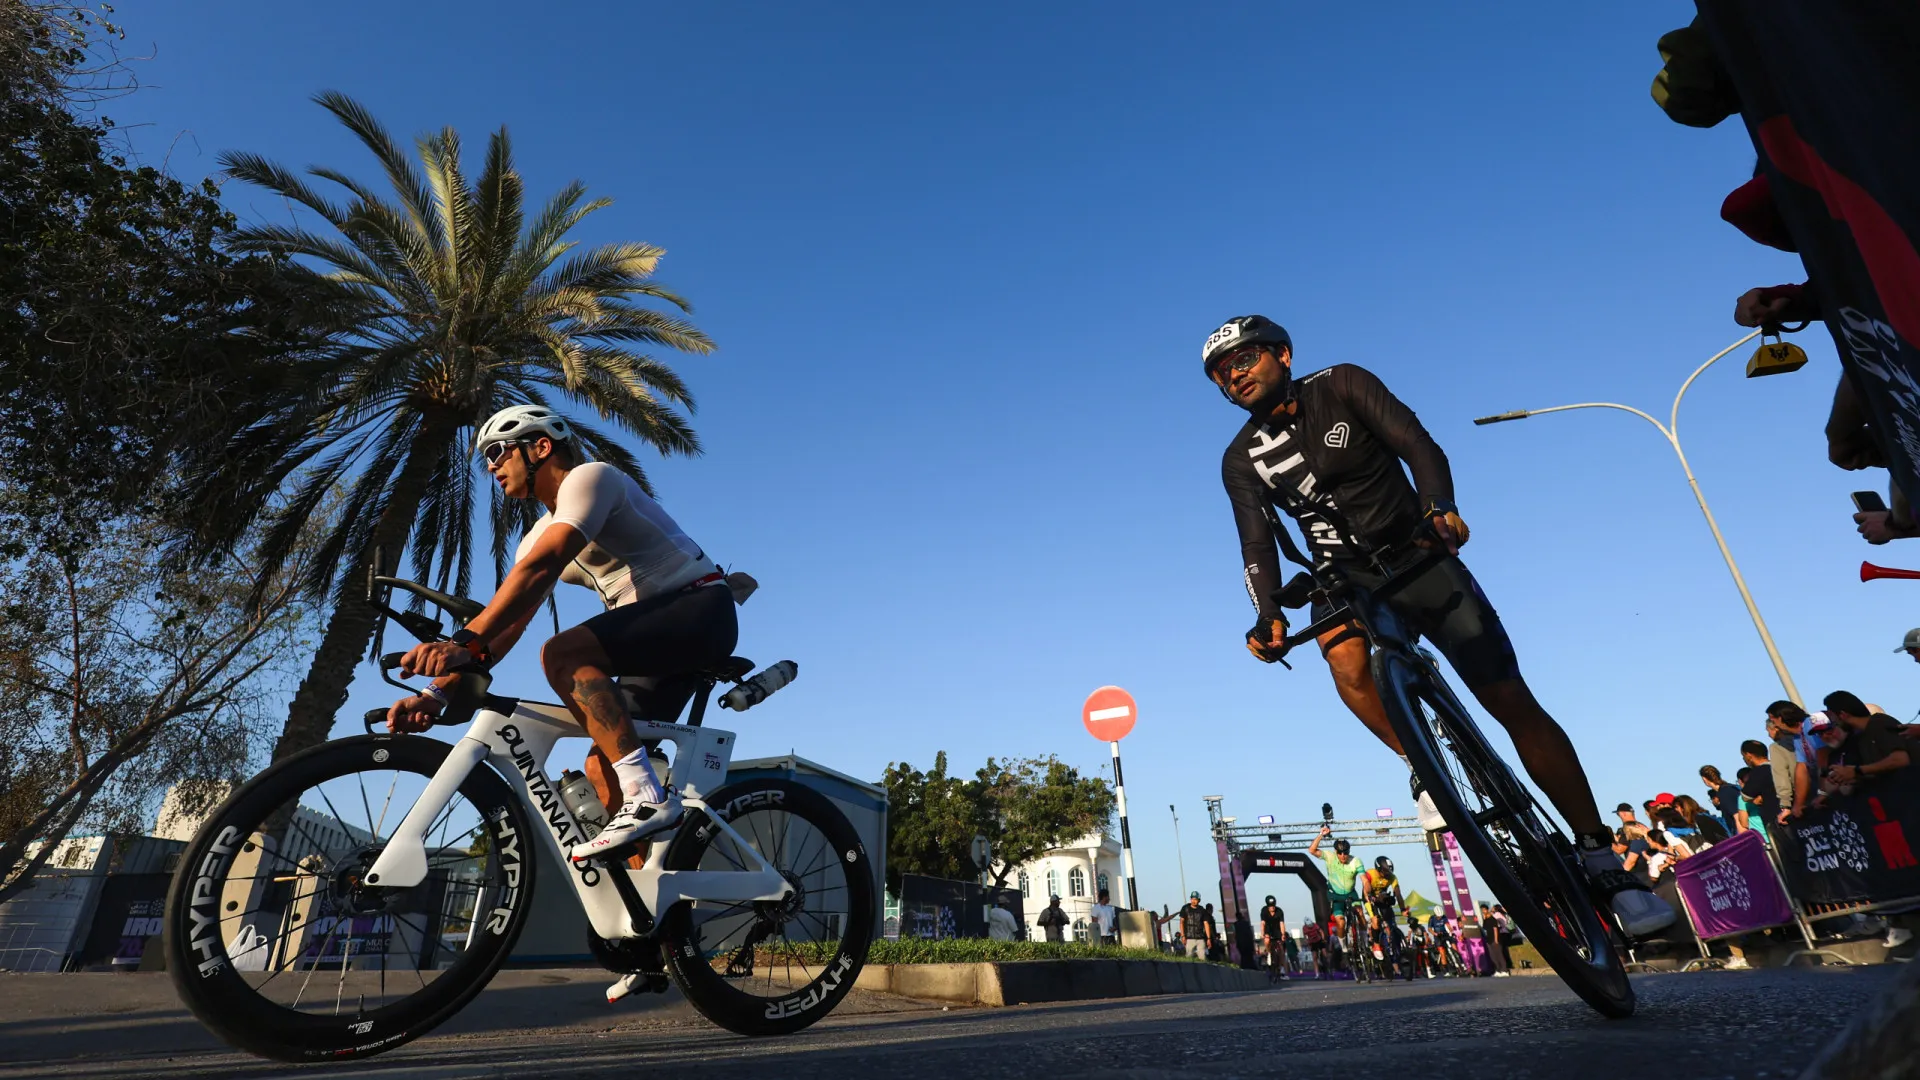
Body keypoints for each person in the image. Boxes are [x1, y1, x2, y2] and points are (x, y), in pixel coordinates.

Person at [1207, 316, 1674, 937]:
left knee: (1510, 699)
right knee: (1342, 659)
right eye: (1220, 372)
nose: (1234, 375)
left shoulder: (1342, 383)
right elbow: (1256, 543)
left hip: (1414, 551)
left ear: (1283, 356)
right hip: (1342, 576)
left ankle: (1599, 856)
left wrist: (1440, 508)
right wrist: (1266, 612)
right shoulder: (1240, 459)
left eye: (1246, 360)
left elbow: (1418, 444)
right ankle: (1421, 762)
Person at [386, 405, 740, 860]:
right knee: (605, 765)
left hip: (700, 609)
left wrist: (459, 642)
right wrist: (435, 694)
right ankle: (648, 910)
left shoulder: (592, 479)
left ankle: (647, 800)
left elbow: (543, 566)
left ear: (541, 446)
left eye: (497, 452)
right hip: (654, 640)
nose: (491, 466)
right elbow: (509, 626)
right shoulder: (534, 535)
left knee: (562, 654)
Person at [1307, 827, 1366, 925]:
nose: (1343, 855)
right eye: (1340, 853)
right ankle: (1342, 941)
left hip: (1350, 893)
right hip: (1335, 894)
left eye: (1345, 853)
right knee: (1341, 922)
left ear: (1349, 852)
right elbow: (1312, 850)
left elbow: (1364, 880)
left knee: (1360, 913)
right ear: (1335, 851)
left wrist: (1367, 893)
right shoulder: (1330, 856)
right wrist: (1321, 834)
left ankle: (1365, 938)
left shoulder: (1355, 861)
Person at [1700, 764, 1745, 834]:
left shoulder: (1724, 792)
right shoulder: (1730, 788)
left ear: (1704, 779)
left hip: (1741, 831)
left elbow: (1737, 816)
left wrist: (1743, 837)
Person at [1166, 892, 1212, 960]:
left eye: (1195, 899)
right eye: (1192, 899)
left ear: (1199, 900)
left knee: (1202, 957)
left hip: (1200, 937)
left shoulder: (1202, 910)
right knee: (1189, 957)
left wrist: (1208, 938)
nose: (1193, 901)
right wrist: (1183, 936)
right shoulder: (1185, 908)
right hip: (1189, 937)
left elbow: (1206, 924)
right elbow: (1181, 922)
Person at [1258, 895, 1288, 980]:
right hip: (1268, 930)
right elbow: (1263, 923)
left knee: (1281, 949)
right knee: (1267, 941)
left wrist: (1283, 935)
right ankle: (1269, 953)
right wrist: (1263, 933)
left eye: (1273, 906)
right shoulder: (1264, 911)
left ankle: (1282, 968)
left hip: (1277, 931)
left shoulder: (1279, 911)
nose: (1272, 908)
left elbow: (1282, 923)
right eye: (1270, 907)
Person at [1478, 901, 1511, 977]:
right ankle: (1498, 970)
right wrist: (1484, 918)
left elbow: (1495, 929)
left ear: (1487, 910)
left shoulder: (1493, 919)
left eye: (1484, 910)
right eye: (1482, 910)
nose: (1483, 912)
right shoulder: (1485, 920)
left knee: (1499, 954)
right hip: (1488, 940)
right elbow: (1484, 928)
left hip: (1494, 939)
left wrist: (1496, 939)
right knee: (1493, 956)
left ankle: (1504, 970)